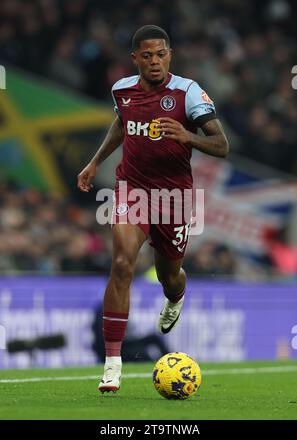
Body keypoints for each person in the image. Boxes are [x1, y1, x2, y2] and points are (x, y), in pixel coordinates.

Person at [77, 25, 229, 393]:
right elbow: (121, 124)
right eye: (147, 55)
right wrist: (96, 161)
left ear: (170, 55)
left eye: (161, 54)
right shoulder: (122, 90)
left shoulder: (187, 92)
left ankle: (175, 297)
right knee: (122, 263)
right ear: (136, 59)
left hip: (174, 198)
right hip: (132, 189)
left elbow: (221, 144)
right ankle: (113, 364)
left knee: (169, 276)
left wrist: (186, 135)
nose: (155, 61)